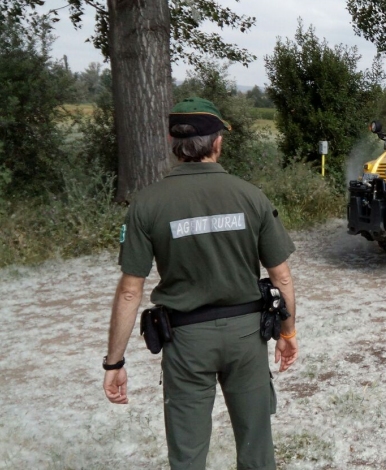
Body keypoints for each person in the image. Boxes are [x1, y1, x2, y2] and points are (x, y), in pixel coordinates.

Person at [102, 97, 299, 470]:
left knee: (188, 453)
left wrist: (114, 361)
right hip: (246, 338)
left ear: (172, 143)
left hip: (186, 341)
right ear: (217, 143)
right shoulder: (250, 196)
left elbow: (131, 289)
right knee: (257, 447)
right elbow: (282, 276)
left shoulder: (147, 203)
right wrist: (287, 333)